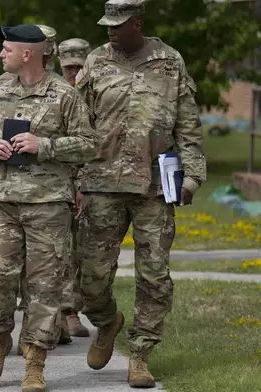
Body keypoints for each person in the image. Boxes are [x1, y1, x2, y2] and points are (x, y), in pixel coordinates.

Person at [75, 0, 206, 388]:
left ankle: (141, 355)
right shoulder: (95, 62)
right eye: (107, 24)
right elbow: (77, 124)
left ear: (138, 23)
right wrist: (74, 181)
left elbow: (188, 122)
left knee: (154, 276)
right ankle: (106, 320)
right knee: (91, 278)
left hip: (155, 186)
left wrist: (192, 177)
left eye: (119, 24)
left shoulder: (169, 61)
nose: (111, 31)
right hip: (101, 183)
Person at [0, 24, 98, 391]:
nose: (1, 54)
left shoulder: (64, 94)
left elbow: (90, 145)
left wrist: (45, 145)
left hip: (47, 205)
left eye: (6, 48)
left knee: (45, 288)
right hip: (2, 202)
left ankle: (35, 360)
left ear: (28, 54)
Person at [56, 37, 92, 339]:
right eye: (68, 67)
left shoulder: (97, 94)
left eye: (79, 67)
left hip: (89, 184)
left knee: (80, 252)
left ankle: (72, 310)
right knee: (55, 253)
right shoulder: (54, 94)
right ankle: (62, 314)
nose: (73, 73)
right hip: (56, 185)